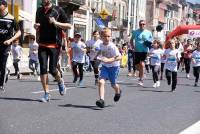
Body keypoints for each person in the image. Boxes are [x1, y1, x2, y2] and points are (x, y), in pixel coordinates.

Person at [34, 0, 72, 102]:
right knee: (42, 68)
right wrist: (36, 29)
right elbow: (37, 25)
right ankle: (46, 93)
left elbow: (69, 25)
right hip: (42, 43)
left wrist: (56, 22)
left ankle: (60, 81)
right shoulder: (39, 10)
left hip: (54, 44)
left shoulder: (58, 10)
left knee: (52, 69)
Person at [95, 28, 122, 108]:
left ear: (110, 37)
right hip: (105, 67)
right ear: (101, 37)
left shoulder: (113, 46)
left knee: (113, 85)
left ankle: (118, 91)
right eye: (105, 36)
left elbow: (119, 57)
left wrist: (109, 60)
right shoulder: (100, 45)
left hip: (114, 67)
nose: (107, 38)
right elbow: (101, 52)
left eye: (108, 36)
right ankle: (101, 100)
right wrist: (97, 58)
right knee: (101, 82)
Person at [0, 0, 21, 91]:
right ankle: (7, 72)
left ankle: (1, 85)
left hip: (6, 45)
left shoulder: (11, 18)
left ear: (4, 6)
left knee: (2, 65)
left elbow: (19, 32)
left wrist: (10, 40)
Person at [130, 20, 153, 86]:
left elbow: (151, 42)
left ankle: (141, 80)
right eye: (140, 24)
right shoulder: (135, 32)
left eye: (143, 24)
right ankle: (142, 73)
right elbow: (131, 40)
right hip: (137, 51)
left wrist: (147, 42)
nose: (142, 25)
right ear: (139, 25)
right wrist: (133, 47)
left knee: (142, 65)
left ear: (145, 25)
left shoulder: (148, 32)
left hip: (144, 51)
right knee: (137, 66)